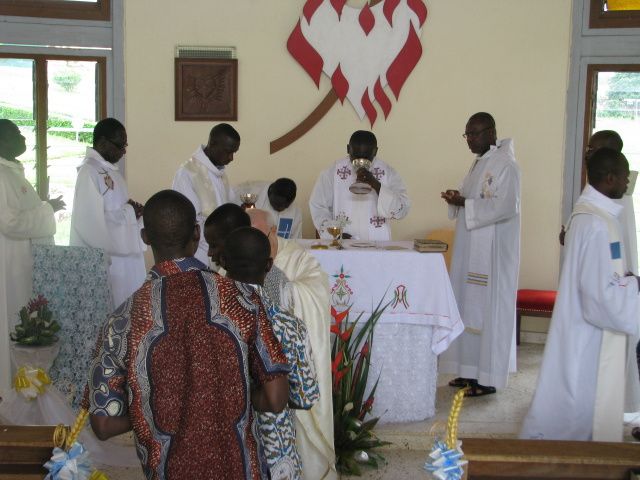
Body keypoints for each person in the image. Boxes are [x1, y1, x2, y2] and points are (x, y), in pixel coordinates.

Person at [87, 190, 289, 479]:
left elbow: (103, 424)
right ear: (197, 233)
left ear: (145, 237)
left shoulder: (121, 320)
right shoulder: (243, 299)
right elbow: (275, 397)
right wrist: (229, 395)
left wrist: (158, 403)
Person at [520, 148, 640, 441]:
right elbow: (600, 296)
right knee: (578, 402)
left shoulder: (588, 214)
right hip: (589, 333)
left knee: (569, 393)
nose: (629, 183)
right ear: (610, 178)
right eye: (625, 176)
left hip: (577, 324)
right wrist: (635, 288)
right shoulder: (599, 224)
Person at [219, 226, 320, 480]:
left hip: (220, 445)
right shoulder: (289, 326)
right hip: (275, 449)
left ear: (222, 263)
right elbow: (306, 396)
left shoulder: (207, 321)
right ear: (268, 266)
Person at [248, 208, 336, 480]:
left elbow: (317, 290)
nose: (253, 244)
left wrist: (279, 289)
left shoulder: (296, 257)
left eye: (258, 236)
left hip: (285, 383)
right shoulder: (238, 256)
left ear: (273, 232)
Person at [439, 112, 521, 397]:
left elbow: (506, 206)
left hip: (493, 254)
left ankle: (486, 378)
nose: (469, 140)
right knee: (466, 303)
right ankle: (468, 371)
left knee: (488, 310)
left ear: (491, 132)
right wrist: (457, 197)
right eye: (467, 135)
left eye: (473, 134)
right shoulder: (480, 162)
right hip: (470, 246)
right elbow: (471, 195)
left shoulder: (506, 165)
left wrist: (466, 203)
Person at [0, 119, 64, 392]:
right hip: (8, 264)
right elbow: (10, 222)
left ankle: (21, 388)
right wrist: (46, 208)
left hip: (20, 263)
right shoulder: (2, 176)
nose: (23, 137)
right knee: (9, 317)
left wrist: (43, 207)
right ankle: (8, 390)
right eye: (16, 133)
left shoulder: (13, 173)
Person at [70, 117, 146, 309]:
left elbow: (117, 210)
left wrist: (133, 212)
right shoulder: (88, 172)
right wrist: (129, 212)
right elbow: (89, 223)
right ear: (102, 143)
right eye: (120, 145)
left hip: (125, 258)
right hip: (109, 263)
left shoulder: (112, 172)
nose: (124, 151)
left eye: (125, 145)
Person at [309, 130, 410, 241]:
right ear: (348, 149)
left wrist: (376, 184)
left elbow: (402, 210)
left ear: (375, 151)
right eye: (356, 156)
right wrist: (335, 233)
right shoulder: (333, 172)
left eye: (367, 157)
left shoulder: (388, 172)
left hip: (378, 241)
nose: (361, 161)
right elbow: (318, 206)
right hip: (342, 242)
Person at [172, 123, 240, 264]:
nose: (231, 158)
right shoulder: (188, 173)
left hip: (222, 249)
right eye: (228, 151)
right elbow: (188, 220)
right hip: (200, 253)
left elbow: (228, 207)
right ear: (213, 143)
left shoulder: (220, 173)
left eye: (234, 152)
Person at [238, 178, 303, 239]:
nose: (280, 209)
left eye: (285, 206)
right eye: (276, 204)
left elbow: (296, 241)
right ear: (270, 192)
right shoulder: (250, 195)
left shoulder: (296, 213)